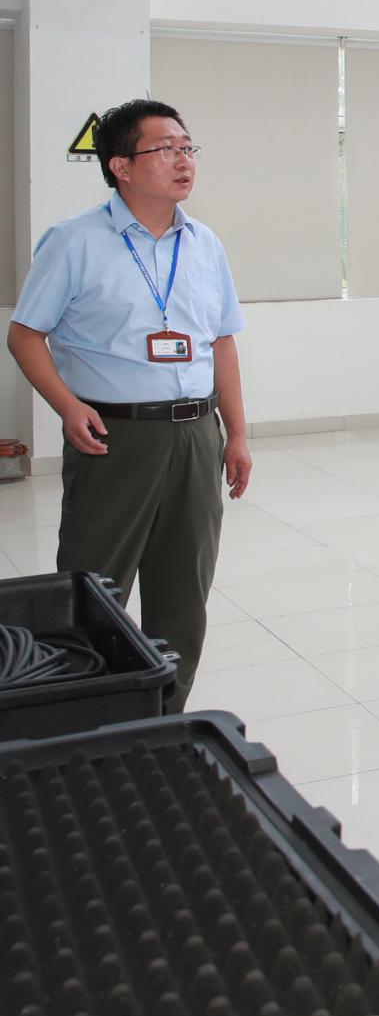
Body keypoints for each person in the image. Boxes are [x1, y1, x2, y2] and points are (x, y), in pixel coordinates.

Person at [6, 99, 250, 707]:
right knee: (94, 589)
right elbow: (25, 334)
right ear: (120, 165)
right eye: (165, 149)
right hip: (115, 436)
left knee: (184, 592)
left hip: (196, 432)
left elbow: (221, 342)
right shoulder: (75, 241)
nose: (183, 160)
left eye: (188, 147)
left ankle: (165, 717)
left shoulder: (204, 243)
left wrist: (237, 434)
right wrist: (67, 406)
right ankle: (87, 720)